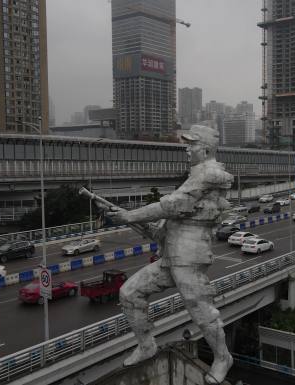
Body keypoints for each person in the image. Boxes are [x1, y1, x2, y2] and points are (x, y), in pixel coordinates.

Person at [107, 125, 234, 384]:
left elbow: (172, 205)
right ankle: (146, 346)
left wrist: (129, 215)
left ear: (207, 148)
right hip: (172, 253)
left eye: (193, 144)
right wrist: (143, 226)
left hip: (189, 254)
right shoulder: (195, 176)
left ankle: (223, 358)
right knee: (130, 293)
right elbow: (177, 215)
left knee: (200, 311)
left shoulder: (209, 173)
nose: (187, 149)